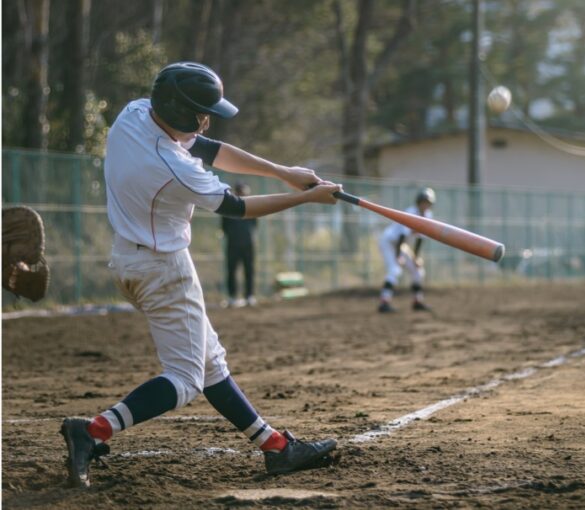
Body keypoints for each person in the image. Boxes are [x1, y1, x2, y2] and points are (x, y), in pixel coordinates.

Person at [60, 62, 340, 488]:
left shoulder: (134, 113)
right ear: (177, 109)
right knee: (187, 378)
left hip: (128, 260)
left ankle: (277, 448)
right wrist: (306, 198)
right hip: (164, 271)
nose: (205, 119)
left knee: (210, 363)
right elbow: (238, 208)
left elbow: (207, 147)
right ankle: (94, 430)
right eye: (199, 112)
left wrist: (285, 172)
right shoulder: (173, 167)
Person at [377, 187, 435, 313]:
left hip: (401, 245)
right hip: (389, 242)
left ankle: (417, 301)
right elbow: (402, 236)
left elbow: (420, 238)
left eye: (428, 203)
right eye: (423, 202)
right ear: (418, 202)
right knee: (395, 270)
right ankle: (384, 302)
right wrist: (399, 256)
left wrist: (415, 258)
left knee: (418, 270)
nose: (425, 205)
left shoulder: (428, 215)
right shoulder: (411, 212)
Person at [222, 182, 258, 307]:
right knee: (231, 271)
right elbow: (224, 227)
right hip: (232, 244)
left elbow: (254, 225)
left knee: (249, 270)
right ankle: (232, 297)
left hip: (248, 244)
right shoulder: (228, 207)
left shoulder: (251, 207)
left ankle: (249, 296)